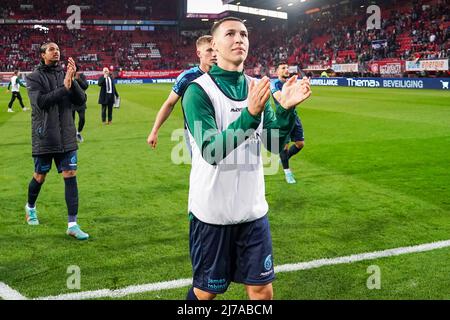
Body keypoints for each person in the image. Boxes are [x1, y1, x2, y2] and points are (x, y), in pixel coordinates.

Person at [182, 17, 311, 300]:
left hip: (253, 211)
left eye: (244, 33)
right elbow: (211, 151)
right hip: (212, 214)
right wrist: (250, 115)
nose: (239, 38)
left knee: (262, 290)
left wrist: (286, 110)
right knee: (205, 292)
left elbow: (274, 143)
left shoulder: (256, 86)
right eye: (230, 33)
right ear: (213, 45)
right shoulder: (197, 92)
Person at [25, 42, 89, 240]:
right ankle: (31, 207)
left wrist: (73, 79)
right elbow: (41, 103)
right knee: (39, 176)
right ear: (43, 54)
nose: (56, 51)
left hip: (67, 137)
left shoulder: (64, 74)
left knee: (70, 174)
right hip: (45, 136)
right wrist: (65, 87)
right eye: (51, 49)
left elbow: (81, 100)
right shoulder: (33, 78)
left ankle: (72, 224)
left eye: (58, 49)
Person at [147, 35, 217, 149]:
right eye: (209, 50)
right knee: (202, 166)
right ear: (199, 53)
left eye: (216, 50)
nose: (214, 54)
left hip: (222, 129)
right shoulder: (187, 77)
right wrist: (154, 131)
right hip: (195, 133)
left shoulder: (224, 76)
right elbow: (169, 104)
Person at [270, 62, 306, 184]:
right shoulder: (274, 83)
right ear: (277, 72)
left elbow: (296, 99)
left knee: (300, 144)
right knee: (284, 147)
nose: (286, 70)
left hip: (294, 117)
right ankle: (287, 172)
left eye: (287, 68)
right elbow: (281, 99)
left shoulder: (292, 83)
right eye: (283, 68)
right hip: (282, 118)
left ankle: (284, 159)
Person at [72, 63, 89, 142]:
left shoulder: (81, 76)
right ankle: (73, 134)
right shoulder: (67, 75)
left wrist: (78, 79)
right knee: (71, 121)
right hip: (70, 102)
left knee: (82, 119)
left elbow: (85, 86)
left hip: (81, 101)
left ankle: (78, 132)